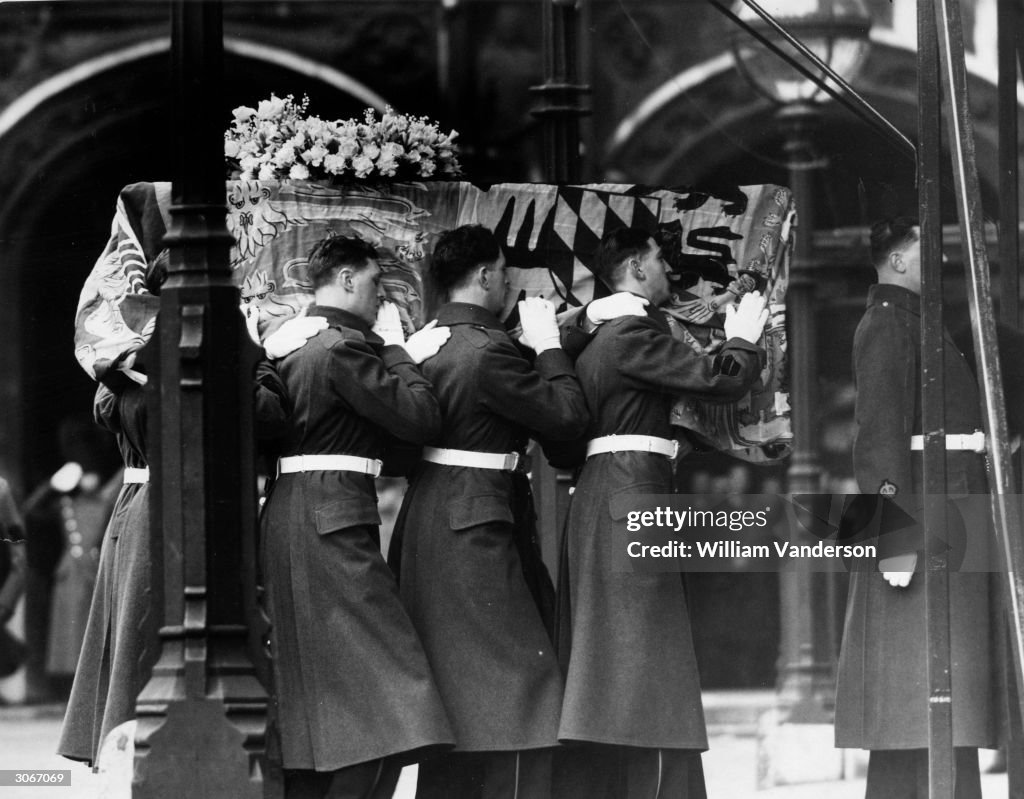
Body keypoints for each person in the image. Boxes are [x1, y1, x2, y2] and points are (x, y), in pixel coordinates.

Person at [388, 224, 641, 799]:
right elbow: (567, 420)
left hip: (428, 519)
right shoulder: (488, 350)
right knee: (526, 690)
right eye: (502, 273)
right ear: (483, 276)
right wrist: (550, 345)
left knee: (461, 693)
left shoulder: (423, 344)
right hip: (475, 523)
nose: (505, 284)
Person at [59, 248, 324, 770]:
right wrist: (253, 355)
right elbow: (268, 415)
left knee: (145, 638)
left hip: (144, 506)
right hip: (188, 505)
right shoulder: (198, 351)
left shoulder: (131, 353)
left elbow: (105, 407)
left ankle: (141, 757)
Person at [554, 226, 767, 798]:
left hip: (610, 491)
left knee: (623, 659)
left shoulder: (598, 333)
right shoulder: (630, 333)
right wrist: (744, 338)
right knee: (647, 659)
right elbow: (713, 381)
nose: (669, 272)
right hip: (631, 492)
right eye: (658, 261)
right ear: (635, 268)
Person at [258, 234, 455, 799]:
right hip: (333, 517)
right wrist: (397, 350)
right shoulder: (345, 348)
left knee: (316, 690)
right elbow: (419, 419)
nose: (380, 299)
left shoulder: (292, 344)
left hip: (295, 512)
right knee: (392, 689)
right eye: (374, 284)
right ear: (346, 280)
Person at [834, 216, 997, 798]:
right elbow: (877, 438)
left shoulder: (912, 320)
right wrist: (892, 536)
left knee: (943, 698)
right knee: (916, 697)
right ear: (897, 260)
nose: (940, 260)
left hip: (947, 510)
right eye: (925, 248)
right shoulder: (886, 324)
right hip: (923, 519)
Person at [22, 415, 120, 701]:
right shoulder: (66, 501)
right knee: (70, 640)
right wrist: (55, 483)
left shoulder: (106, 495)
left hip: (94, 569)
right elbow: (31, 510)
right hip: (70, 572)